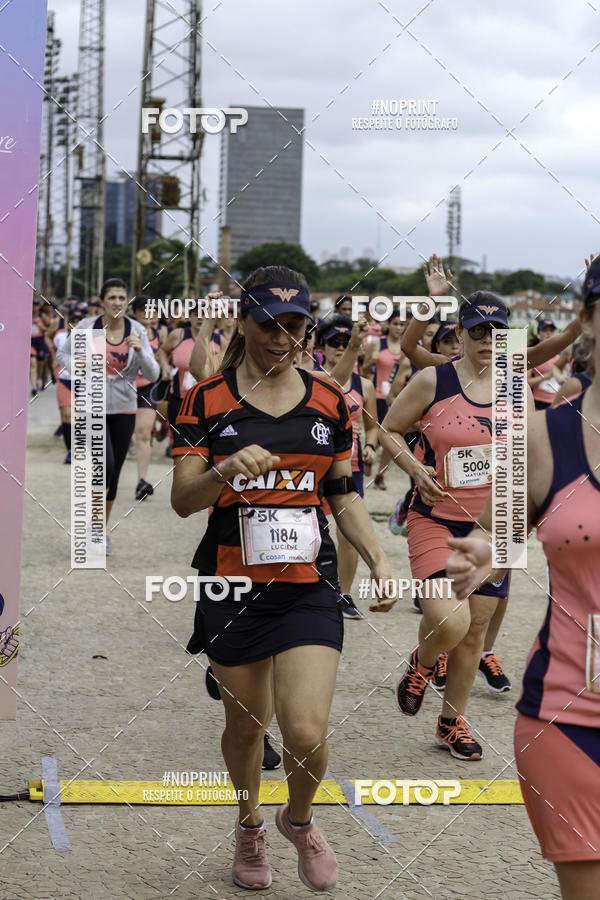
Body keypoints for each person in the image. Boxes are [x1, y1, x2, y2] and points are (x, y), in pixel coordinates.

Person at [171, 265, 395, 892]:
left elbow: (344, 493)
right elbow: (183, 500)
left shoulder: (330, 399)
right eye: (269, 324)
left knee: (305, 731)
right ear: (244, 322)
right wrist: (224, 472)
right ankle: (248, 826)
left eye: (294, 326)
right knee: (246, 726)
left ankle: (297, 819)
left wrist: (378, 559)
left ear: (308, 328)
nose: (281, 337)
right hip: (232, 586)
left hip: (308, 583)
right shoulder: (205, 400)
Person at [446, 259, 600, 900]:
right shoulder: (541, 436)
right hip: (570, 718)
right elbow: (495, 531)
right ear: (588, 318)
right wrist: (481, 552)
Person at [380, 293, 533, 760]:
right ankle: (423, 663)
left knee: (475, 632)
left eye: (496, 332)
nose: (487, 341)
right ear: (461, 333)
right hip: (435, 518)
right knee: (449, 620)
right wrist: (415, 469)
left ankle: (451, 723)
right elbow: (387, 429)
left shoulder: (516, 387)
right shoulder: (434, 379)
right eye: (478, 331)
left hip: (495, 521)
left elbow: (520, 460)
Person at [57, 278, 159, 554]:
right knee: (107, 465)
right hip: (93, 406)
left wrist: (140, 349)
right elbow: (62, 354)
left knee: (113, 475)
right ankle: (93, 527)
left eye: (121, 298)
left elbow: (154, 374)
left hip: (125, 407)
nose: (117, 302)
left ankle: (100, 531)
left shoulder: (136, 329)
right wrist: (75, 365)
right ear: (102, 301)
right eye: (112, 297)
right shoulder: (86, 327)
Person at [314, 317, 379, 618]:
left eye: (346, 343)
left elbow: (374, 427)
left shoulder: (364, 384)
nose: (340, 349)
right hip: (317, 463)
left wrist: (370, 446)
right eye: (334, 343)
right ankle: (313, 589)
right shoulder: (311, 377)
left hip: (350, 465)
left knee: (348, 532)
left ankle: (344, 593)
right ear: (322, 347)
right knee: (315, 528)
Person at [130, 296, 169, 500]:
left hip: (147, 389)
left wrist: (164, 367)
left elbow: (164, 353)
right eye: (143, 310)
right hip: (123, 390)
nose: (148, 314)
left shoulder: (159, 333)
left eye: (152, 310)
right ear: (135, 313)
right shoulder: (126, 331)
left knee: (144, 434)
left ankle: (141, 481)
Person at [362, 312, 406, 489]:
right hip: (377, 395)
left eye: (402, 325)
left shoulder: (407, 346)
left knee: (394, 439)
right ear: (389, 324)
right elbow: (364, 369)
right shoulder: (377, 343)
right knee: (379, 435)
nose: (399, 328)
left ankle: (380, 475)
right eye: (395, 324)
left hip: (398, 398)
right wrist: (370, 361)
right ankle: (369, 451)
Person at [53, 309, 83, 463]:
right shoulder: (60, 337)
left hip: (83, 382)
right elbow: (55, 352)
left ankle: (79, 447)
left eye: (79, 321)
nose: (76, 324)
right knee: (66, 416)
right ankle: (70, 450)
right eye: (74, 320)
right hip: (65, 381)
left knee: (78, 418)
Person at [527, 319, 568, 410]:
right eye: (544, 330)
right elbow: (526, 382)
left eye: (551, 331)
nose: (548, 334)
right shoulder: (532, 355)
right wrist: (546, 376)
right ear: (538, 334)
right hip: (538, 403)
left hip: (557, 403)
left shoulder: (559, 354)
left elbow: (563, 377)